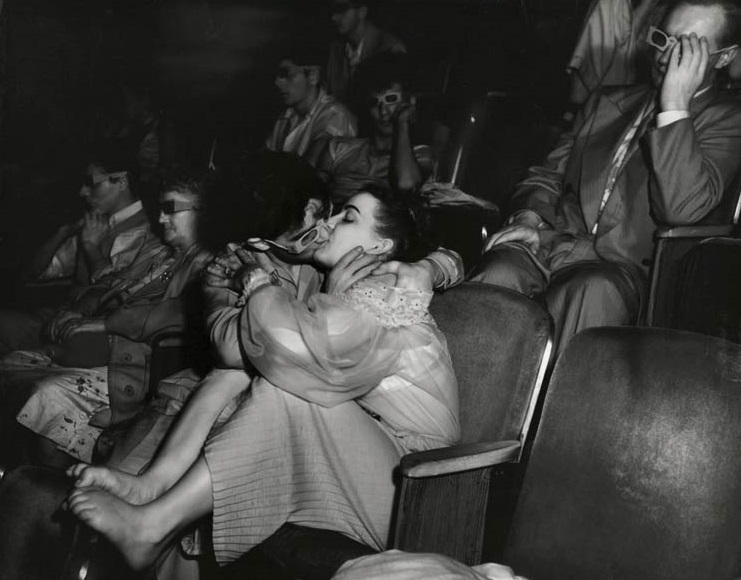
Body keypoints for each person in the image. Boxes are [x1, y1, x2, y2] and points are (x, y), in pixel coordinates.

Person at [65, 185, 460, 572]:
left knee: (278, 385)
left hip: (415, 483)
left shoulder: (389, 289)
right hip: (361, 456)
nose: (331, 221)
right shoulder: (346, 290)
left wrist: (254, 282)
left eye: (349, 217)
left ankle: (154, 525)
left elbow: (292, 348)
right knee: (232, 374)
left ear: (379, 247)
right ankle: (151, 486)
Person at [469, 0, 741, 353]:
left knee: (591, 290)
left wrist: (675, 106)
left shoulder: (729, 121)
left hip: (625, 269)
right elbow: (548, 175)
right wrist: (529, 217)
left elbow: (681, 209)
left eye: (686, 48)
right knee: (498, 270)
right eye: (663, 39)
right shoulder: (607, 102)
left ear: (723, 57)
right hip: (553, 244)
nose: (664, 57)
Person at [0, 171, 213, 466]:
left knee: (45, 393)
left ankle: (47, 487)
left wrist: (103, 323)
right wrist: (85, 312)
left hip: (145, 369)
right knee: (13, 366)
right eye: (161, 210)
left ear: (205, 212)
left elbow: (176, 312)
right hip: (116, 354)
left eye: (171, 210)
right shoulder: (164, 252)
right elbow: (117, 283)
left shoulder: (210, 262)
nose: (162, 219)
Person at [0, 146, 167, 356]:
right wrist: (64, 232)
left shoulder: (148, 230)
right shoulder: (93, 224)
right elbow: (35, 273)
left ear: (122, 183)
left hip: (93, 336)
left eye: (91, 183)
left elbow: (117, 290)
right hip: (56, 322)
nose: (83, 192)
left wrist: (91, 248)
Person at [312, 53, 432, 203]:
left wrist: (402, 122)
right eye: (374, 102)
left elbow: (406, 186)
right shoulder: (338, 148)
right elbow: (311, 197)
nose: (383, 111)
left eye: (391, 99)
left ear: (409, 101)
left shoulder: (420, 155)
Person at [265, 48, 357, 158]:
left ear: (313, 76)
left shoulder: (335, 117)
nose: (277, 82)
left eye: (286, 74)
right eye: (277, 75)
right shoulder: (287, 115)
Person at [325, 0, 406, 103]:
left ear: (362, 12)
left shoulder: (390, 48)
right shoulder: (335, 50)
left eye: (342, 10)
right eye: (333, 11)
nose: (334, 18)